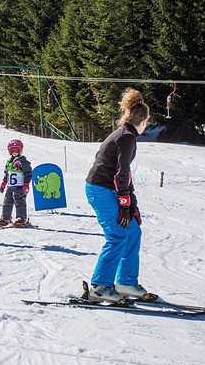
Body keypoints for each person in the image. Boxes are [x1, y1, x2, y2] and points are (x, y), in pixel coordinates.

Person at [85, 88, 149, 302]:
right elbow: (121, 173)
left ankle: (126, 282)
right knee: (118, 234)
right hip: (100, 189)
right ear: (144, 121)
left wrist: (132, 205)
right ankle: (100, 286)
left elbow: (125, 174)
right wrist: (124, 203)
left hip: (109, 188)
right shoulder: (126, 137)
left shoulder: (126, 135)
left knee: (133, 231)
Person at [0, 139, 33, 227]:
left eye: (17, 150)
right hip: (10, 186)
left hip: (19, 187)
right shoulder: (9, 162)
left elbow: (28, 173)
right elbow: (7, 174)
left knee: (19, 202)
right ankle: (5, 218)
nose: (14, 152)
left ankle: (21, 218)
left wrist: (26, 184)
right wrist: (3, 183)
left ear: (20, 150)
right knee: (7, 202)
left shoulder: (23, 162)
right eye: (12, 150)